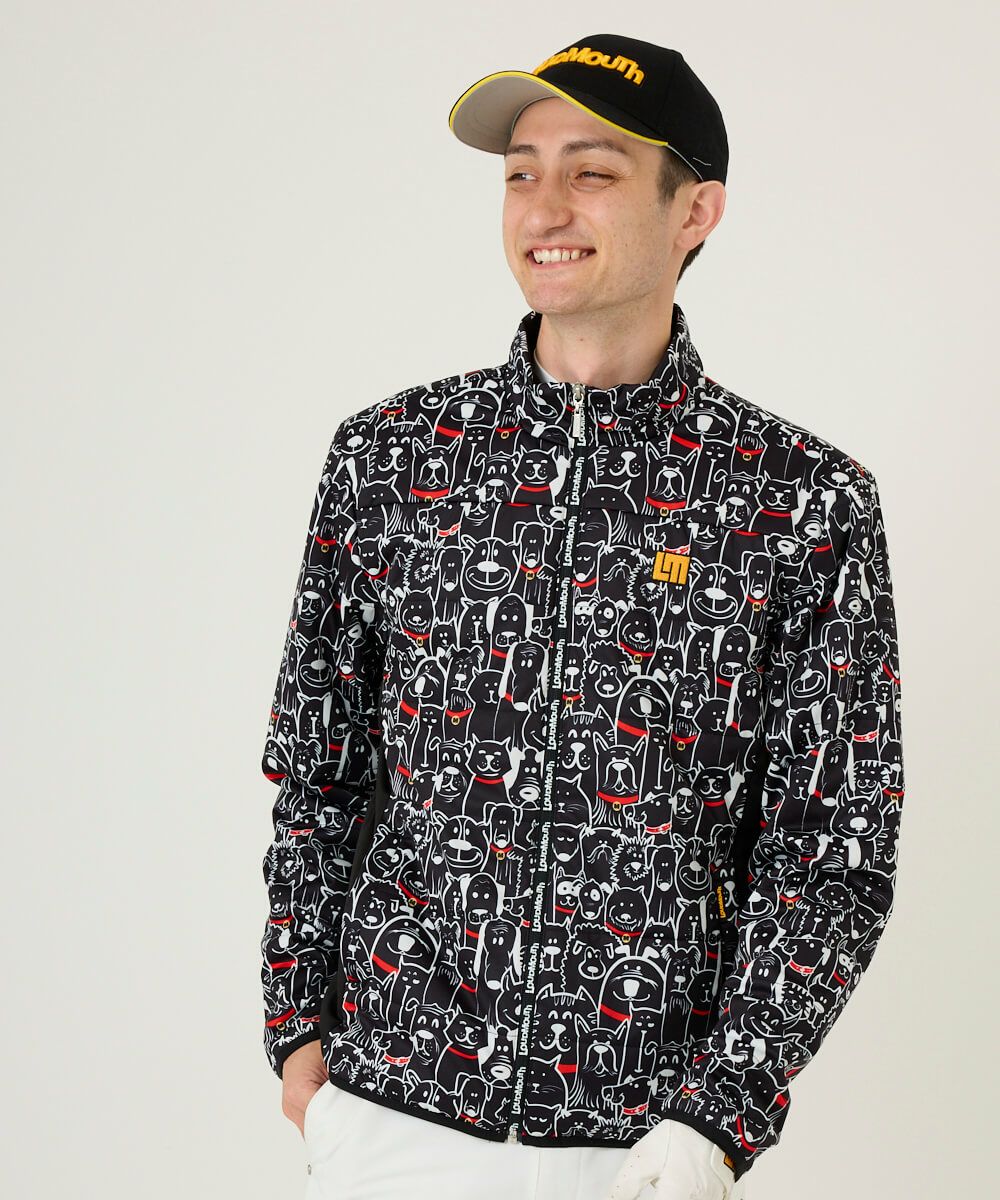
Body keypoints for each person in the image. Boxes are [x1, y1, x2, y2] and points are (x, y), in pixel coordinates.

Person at [259, 34, 906, 1200]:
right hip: (389, 1110)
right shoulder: (393, 459)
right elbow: (319, 771)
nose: (543, 207)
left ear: (694, 211)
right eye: (521, 172)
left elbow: (832, 845)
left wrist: (718, 1117)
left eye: (592, 172)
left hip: (640, 1143)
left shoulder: (803, 503)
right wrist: (299, 1036)